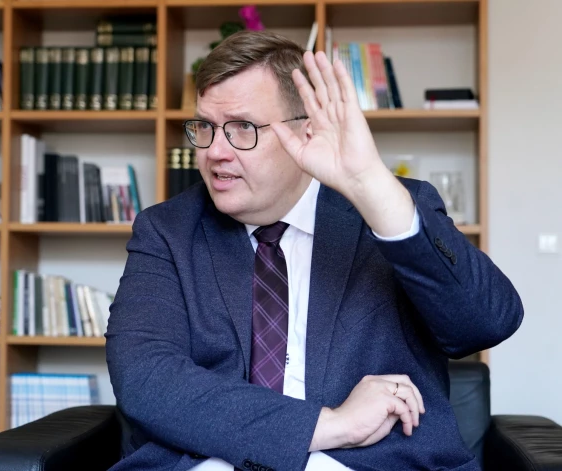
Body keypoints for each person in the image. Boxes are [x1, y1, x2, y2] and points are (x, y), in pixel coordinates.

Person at [104, 30, 523, 471]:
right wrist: (329, 425)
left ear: (305, 128)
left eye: (243, 127)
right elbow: (146, 377)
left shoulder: (388, 207)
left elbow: (486, 324)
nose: (215, 151)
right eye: (205, 127)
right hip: (212, 461)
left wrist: (370, 185)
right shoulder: (167, 231)